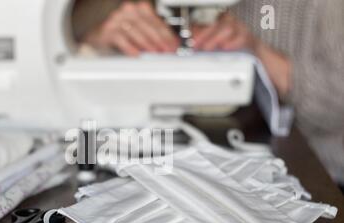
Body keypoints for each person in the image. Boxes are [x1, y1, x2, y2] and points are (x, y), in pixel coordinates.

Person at [72, 0, 344, 186]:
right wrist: (96, 45)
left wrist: (262, 56)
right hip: (212, 164)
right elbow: (76, 32)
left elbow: (336, 102)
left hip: (325, 174)